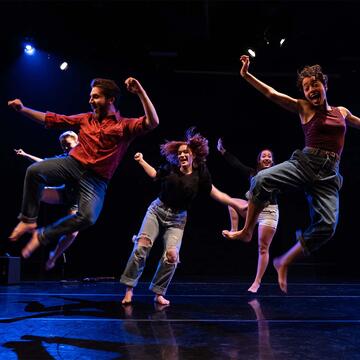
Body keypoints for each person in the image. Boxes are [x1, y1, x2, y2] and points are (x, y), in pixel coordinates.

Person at [223, 55, 360, 293]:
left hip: (328, 175)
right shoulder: (303, 107)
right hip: (305, 163)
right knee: (261, 179)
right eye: (306, 88)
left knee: (328, 226)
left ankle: (284, 260)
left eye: (314, 85)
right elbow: (272, 94)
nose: (310, 90)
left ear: (324, 85)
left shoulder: (342, 112)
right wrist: (246, 75)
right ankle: (246, 231)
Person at [8, 77, 159, 258]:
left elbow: (153, 122)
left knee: (88, 217)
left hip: (96, 179)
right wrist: (23, 109)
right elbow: (53, 119)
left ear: (110, 99)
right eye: (90, 96)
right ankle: (28, 220)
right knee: (34, 171)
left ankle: (43, 235)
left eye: (95, 97)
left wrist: (140, 92)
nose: (90, 101)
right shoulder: (85, 119)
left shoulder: (124, 125)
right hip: (73, 164)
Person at [120, 129, 246, 306]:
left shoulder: (200, 172)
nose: (183, 155)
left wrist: (234, 203)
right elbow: (155, 175)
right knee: (142, 245)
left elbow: (216, 193)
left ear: (193, 154)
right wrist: (141, 161)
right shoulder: (170, 168)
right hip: (157, 210)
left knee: (172, 255)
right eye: (180, 153)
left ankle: (158, 293)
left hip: (178, 218)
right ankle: (129, 289)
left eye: (186, 152)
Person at [217, 138, 279, 293]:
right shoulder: (252, 173)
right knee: (230, 202)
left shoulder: (278, 174)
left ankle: (257, 282)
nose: (266, 158)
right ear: (259, 160)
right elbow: (236, 164)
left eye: (269, 156)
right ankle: (237, 231)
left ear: (272, 161)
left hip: (268, 211)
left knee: (263, 248)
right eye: (263, 156)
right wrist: (224, 152)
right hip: (251, 209)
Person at [15, 131, 80, 270]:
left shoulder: (85, 157)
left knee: (72, 233)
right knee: (38, 191)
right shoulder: (65, 157)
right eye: (63, 146)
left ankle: (54, 256)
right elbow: (45, 163)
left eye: (68, 144)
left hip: (78, 200)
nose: (66, 148)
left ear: (77, 142)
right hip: (64, 192)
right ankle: (28, 222)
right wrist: (26, 155)